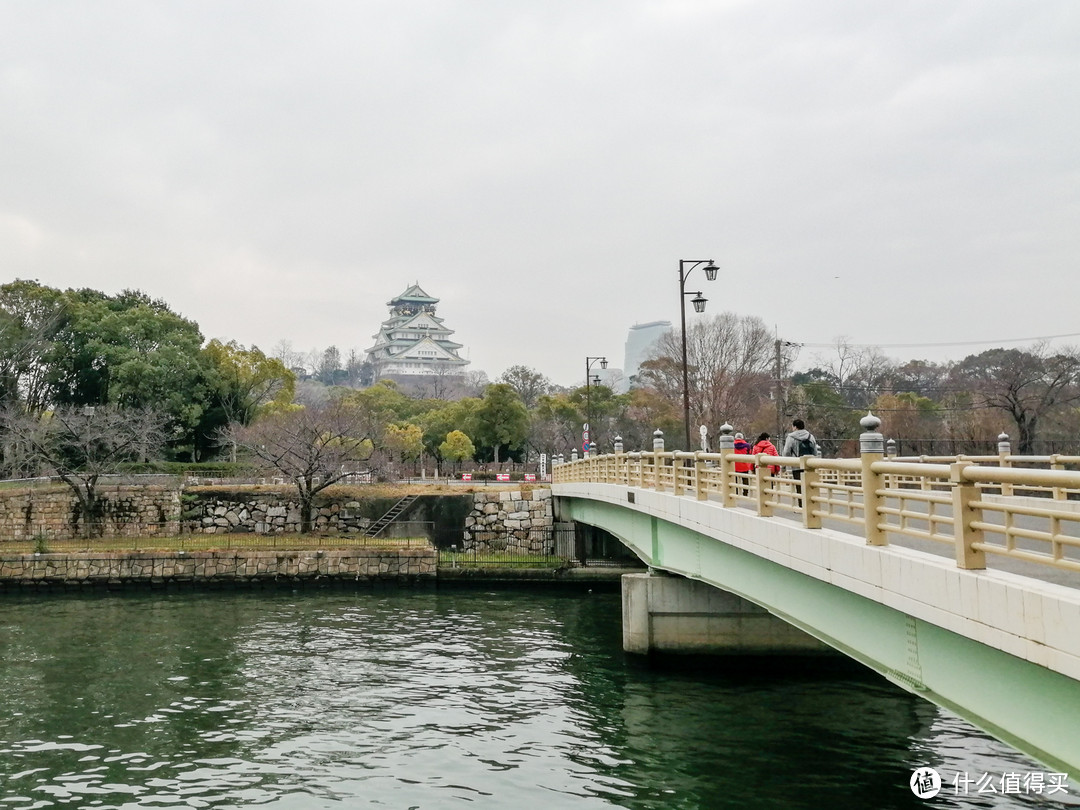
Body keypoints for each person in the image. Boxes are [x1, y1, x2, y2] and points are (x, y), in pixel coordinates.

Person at [782, 418, 819, 506]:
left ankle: (801, 505)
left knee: (799, 485)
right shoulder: (810, 436)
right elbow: (815, 451)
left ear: (795, 427)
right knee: (809, 485)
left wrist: (784, 466)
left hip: (797, 465)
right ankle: (811, 504)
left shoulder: (791, 437)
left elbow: (786, 452)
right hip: (809, 465)